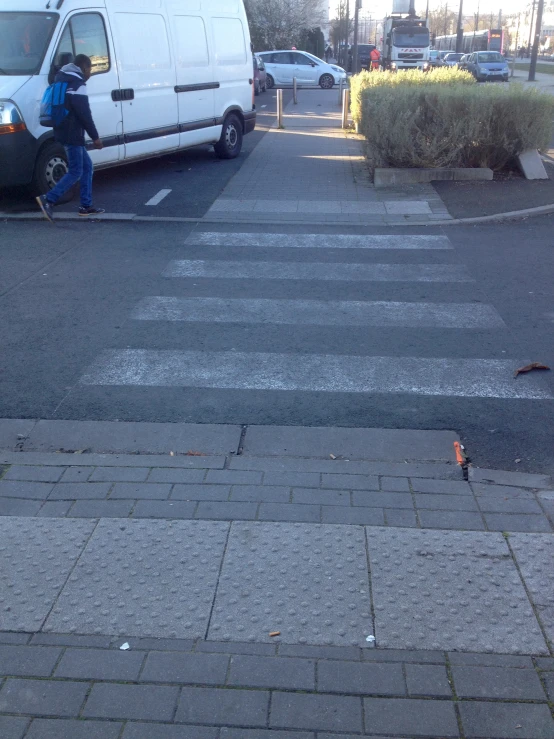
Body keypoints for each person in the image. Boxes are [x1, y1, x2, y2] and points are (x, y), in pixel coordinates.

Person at [36, 54, 104, 223]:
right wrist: (95, 137)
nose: (89, 74)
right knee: (76, 170)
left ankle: (85, 206)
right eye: (90, 70)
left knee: (87, 167)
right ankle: (48, 199)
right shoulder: (77, 83)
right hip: (72, 133)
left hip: (62, 129)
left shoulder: (62, 79)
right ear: (84, 67)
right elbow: (84, 114)